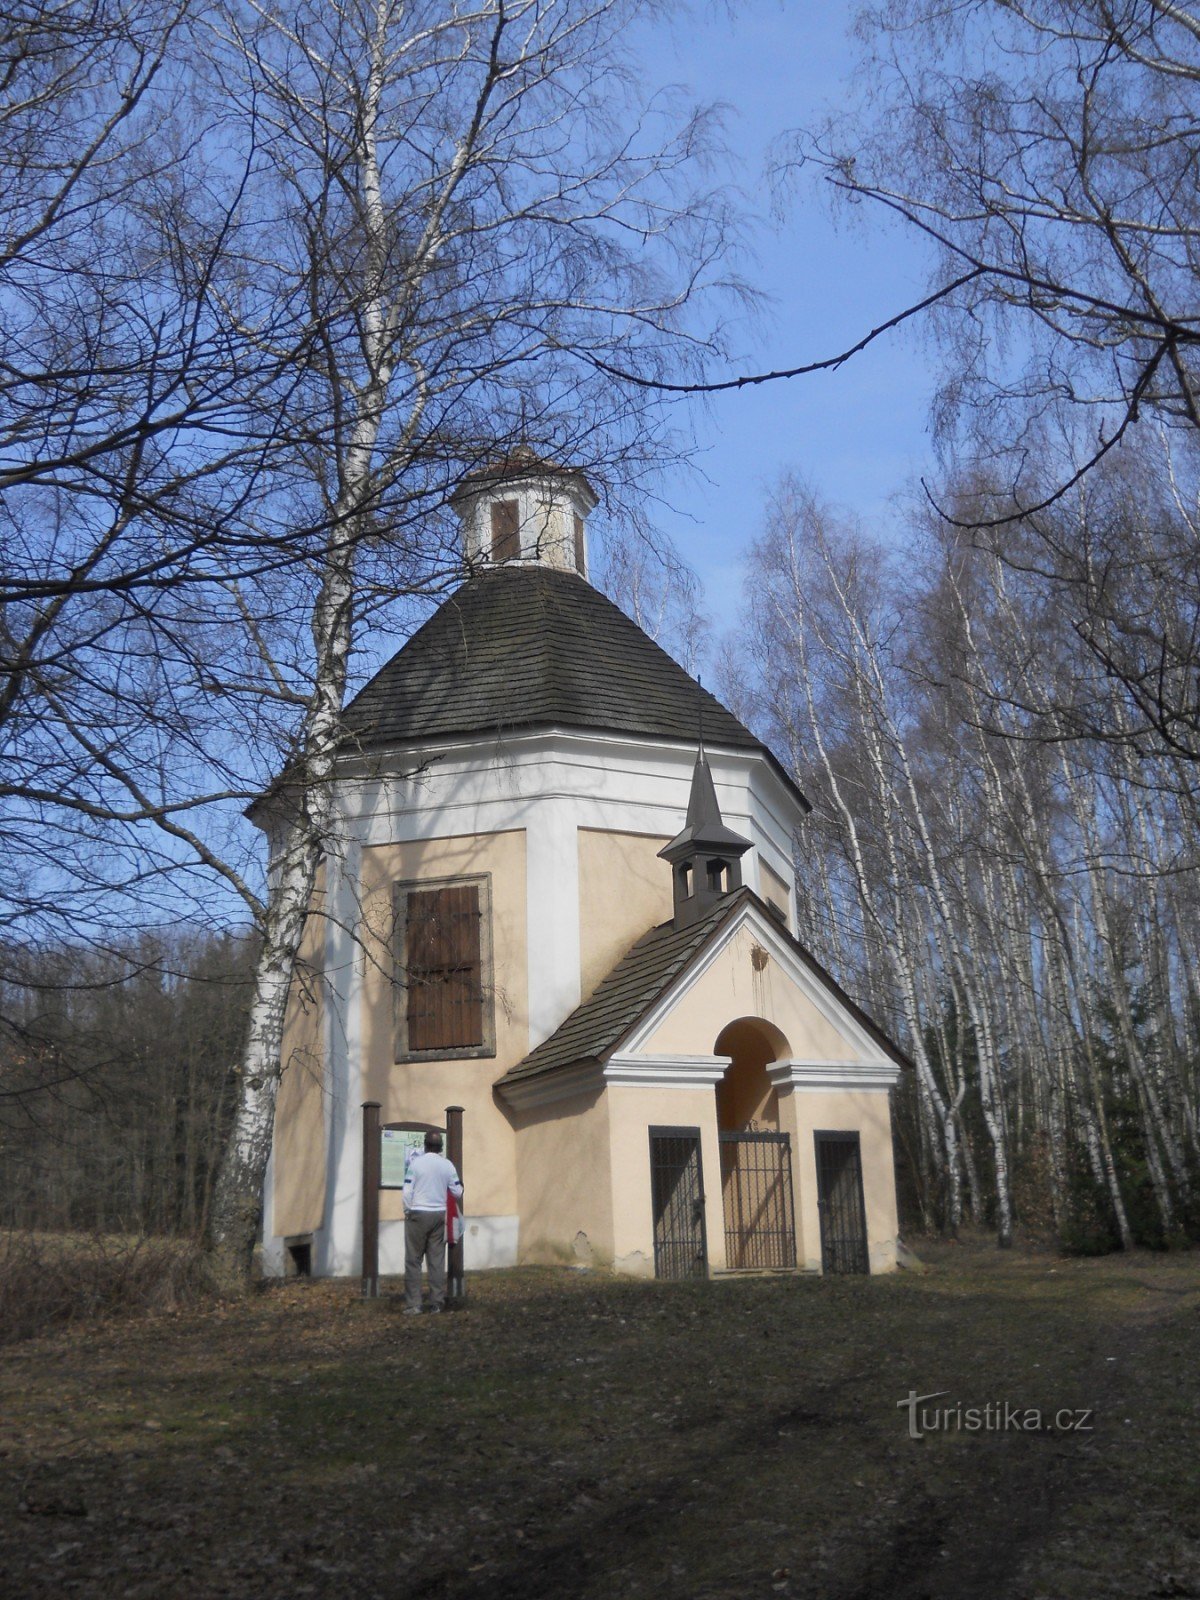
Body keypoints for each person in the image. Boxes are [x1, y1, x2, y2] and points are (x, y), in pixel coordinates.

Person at [402, 1131, 463, 1314]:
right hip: (439, 1214)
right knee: (436, 1260)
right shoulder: (447, 1165)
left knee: (414, 1260)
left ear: (425, 1144)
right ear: (441, 1146)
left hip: (418, 1213)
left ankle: (414, 1304)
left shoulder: (416, 1163)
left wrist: (408, 1210)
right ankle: (436, 1302)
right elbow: (458, 1191)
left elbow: (406, 1191)